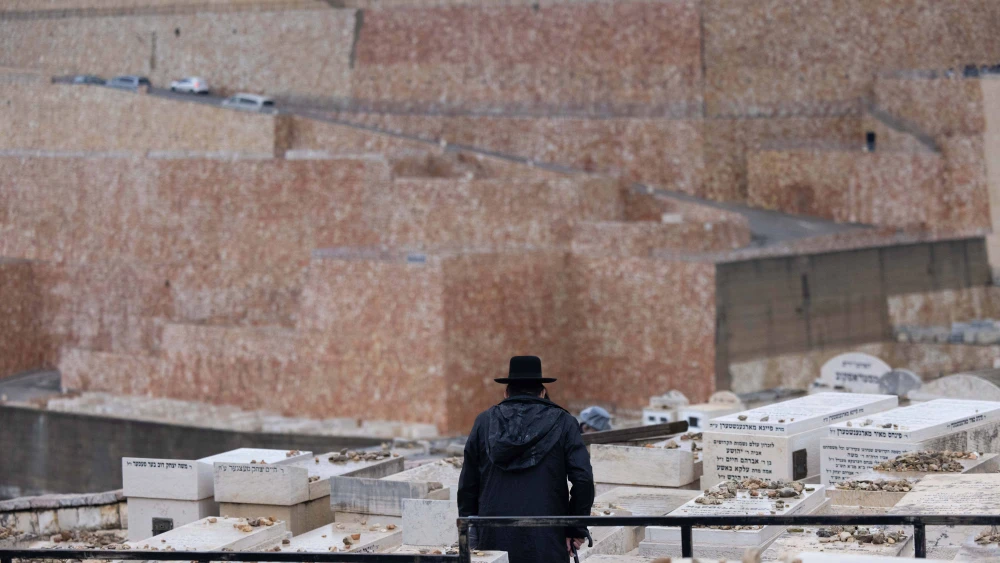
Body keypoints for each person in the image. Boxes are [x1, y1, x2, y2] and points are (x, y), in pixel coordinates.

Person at [457, 356, 595, 562]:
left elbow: (468, 483)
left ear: (506, 392)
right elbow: (583, 479)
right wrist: (574, 527)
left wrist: (470, 530)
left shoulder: (484, 422)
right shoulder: (564, 422)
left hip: (494, 535)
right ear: (542, 392)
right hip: (547, 536)